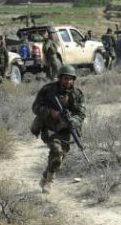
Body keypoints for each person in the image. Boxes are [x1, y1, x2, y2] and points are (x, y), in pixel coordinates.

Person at [31, 65, 86, 194]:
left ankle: (45, 175)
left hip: (66, 129)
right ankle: (49, 182)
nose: (68, 81)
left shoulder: (77, 94)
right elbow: (35, 107)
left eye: (71, 79)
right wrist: (50, 112)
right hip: (48, 127)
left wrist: (72, 121)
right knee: (56, 151)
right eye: (66, 78)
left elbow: (81, 114)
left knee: (60, 158)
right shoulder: (47, 90)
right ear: (60, 78)